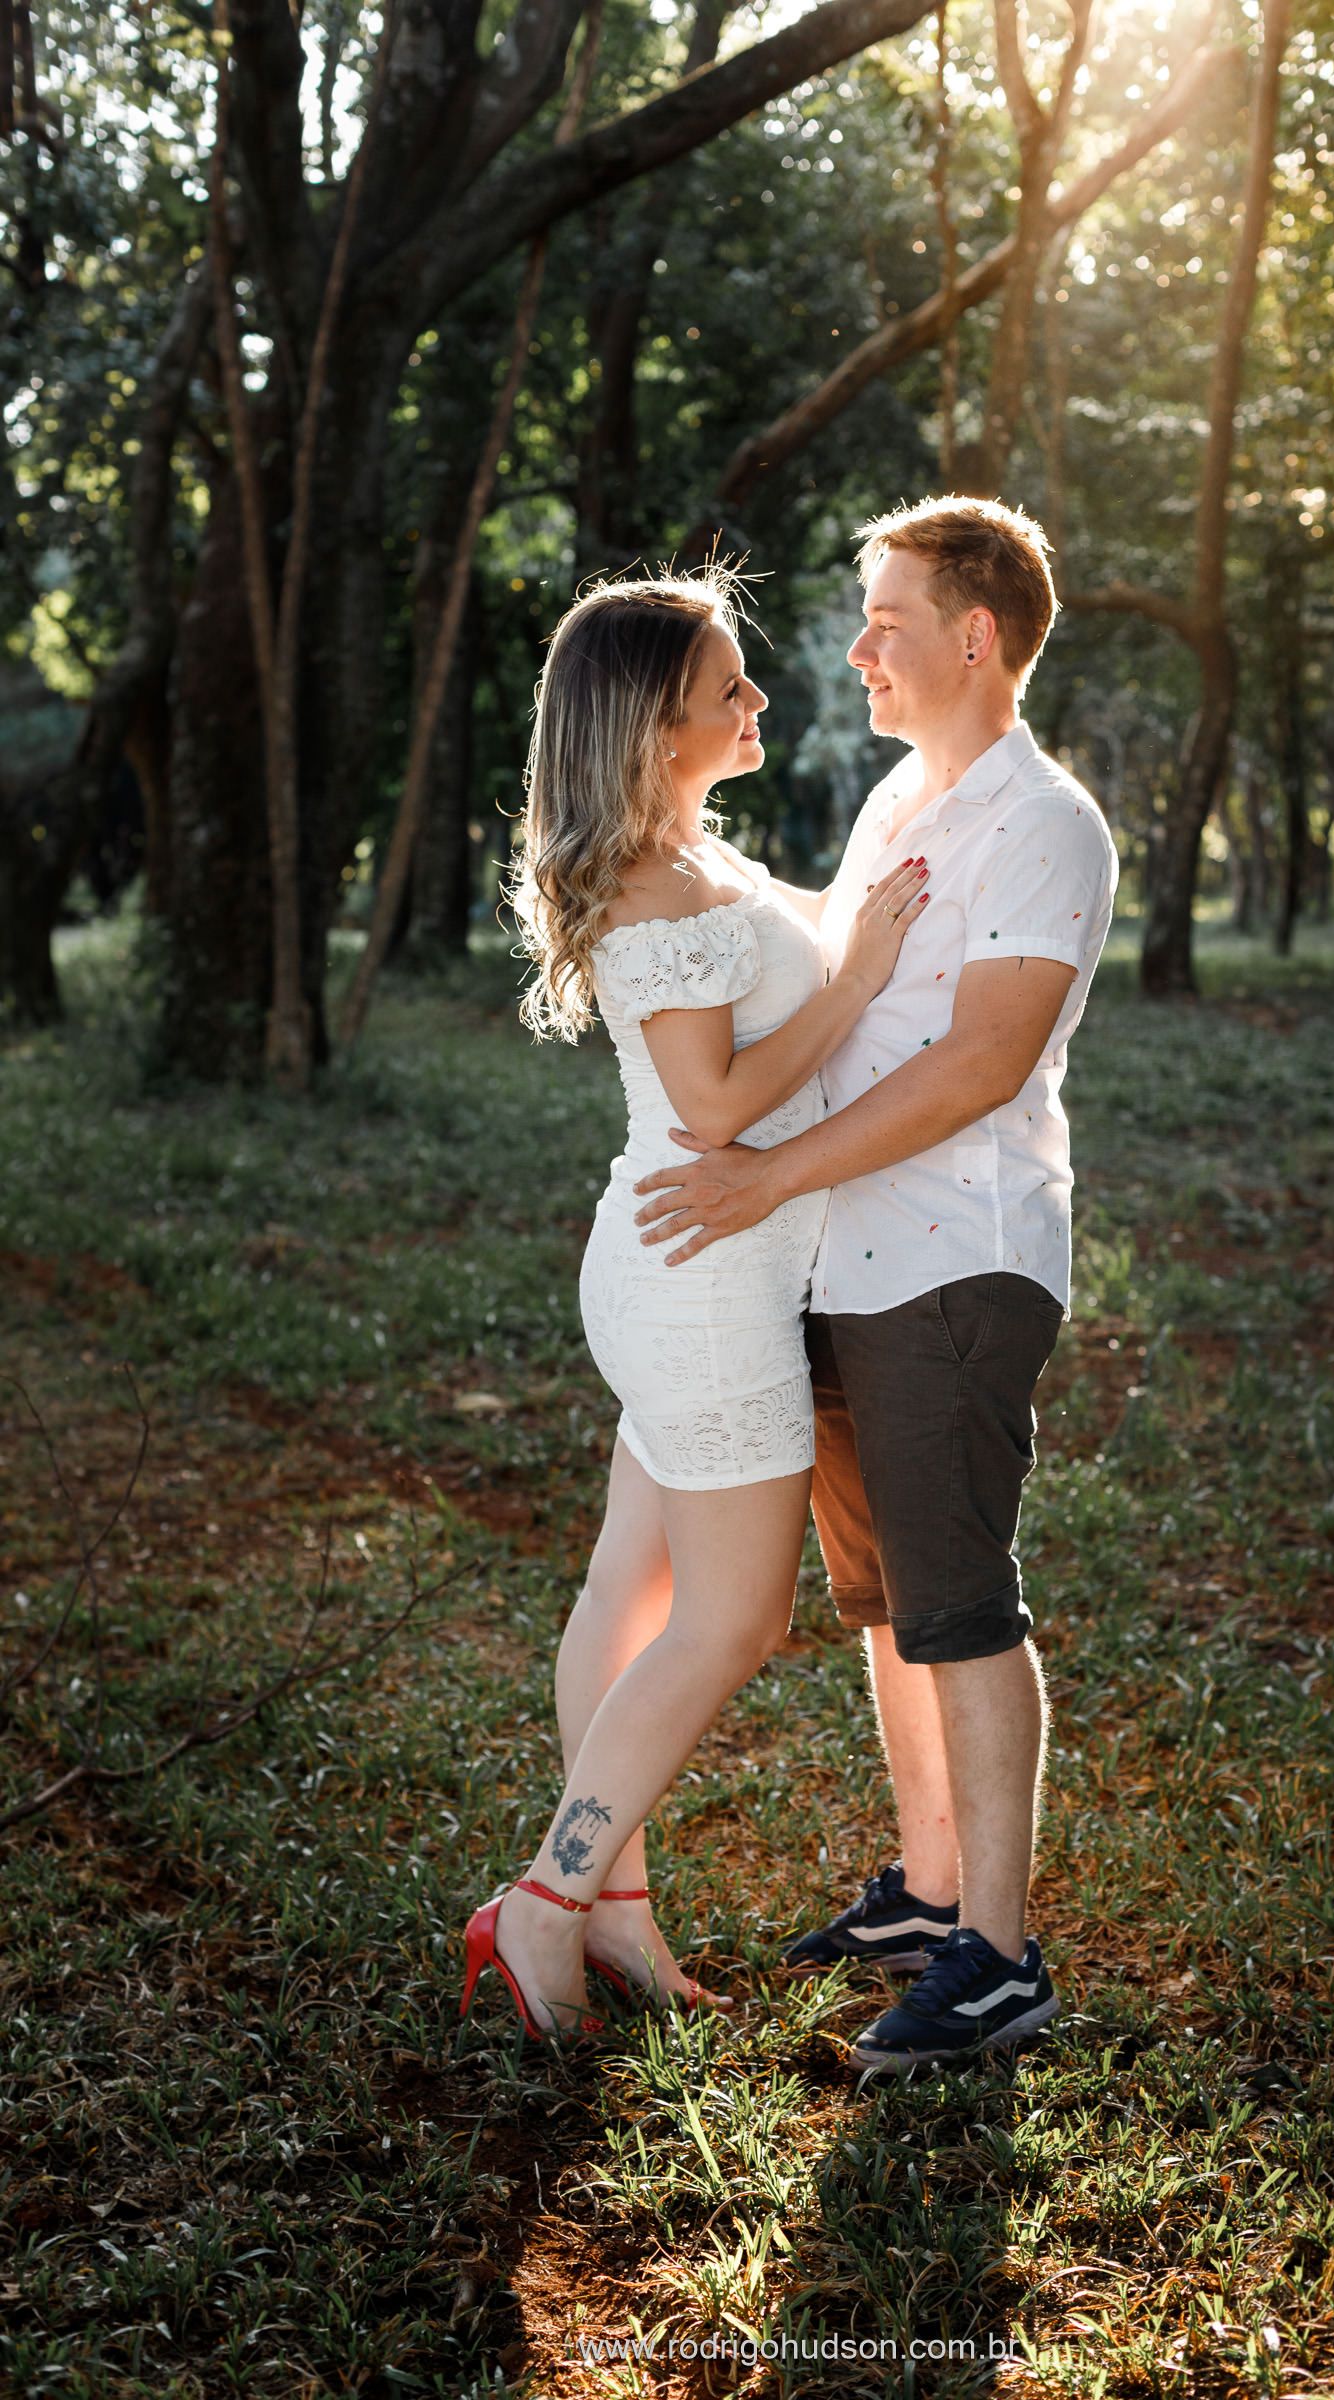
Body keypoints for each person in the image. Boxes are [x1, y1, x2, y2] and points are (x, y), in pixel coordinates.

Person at [633, 498, 1119, 2071]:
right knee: (887, 1607)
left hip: (955, 1263)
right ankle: (926, 1892)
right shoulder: (902, 803)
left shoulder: (1045, 824)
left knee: (962, 1609)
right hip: (845, 1259)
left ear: (976, 636)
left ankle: (997, 1953)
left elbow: (983, 1063)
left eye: (887, 621)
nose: (859, 651)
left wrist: (765, 1176)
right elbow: (834, 998)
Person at [463, 568, 931, 2047]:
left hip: (685, 1268)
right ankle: (545, 1899)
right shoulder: (653, 888)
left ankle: (619, 1917)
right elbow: (717, 1104)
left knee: (631, 1592)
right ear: (653, 719)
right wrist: (855, 979)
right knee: (732, 1617)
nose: (757, 703)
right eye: (729, 686)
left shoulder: (694, 855)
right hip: (704, 1277)